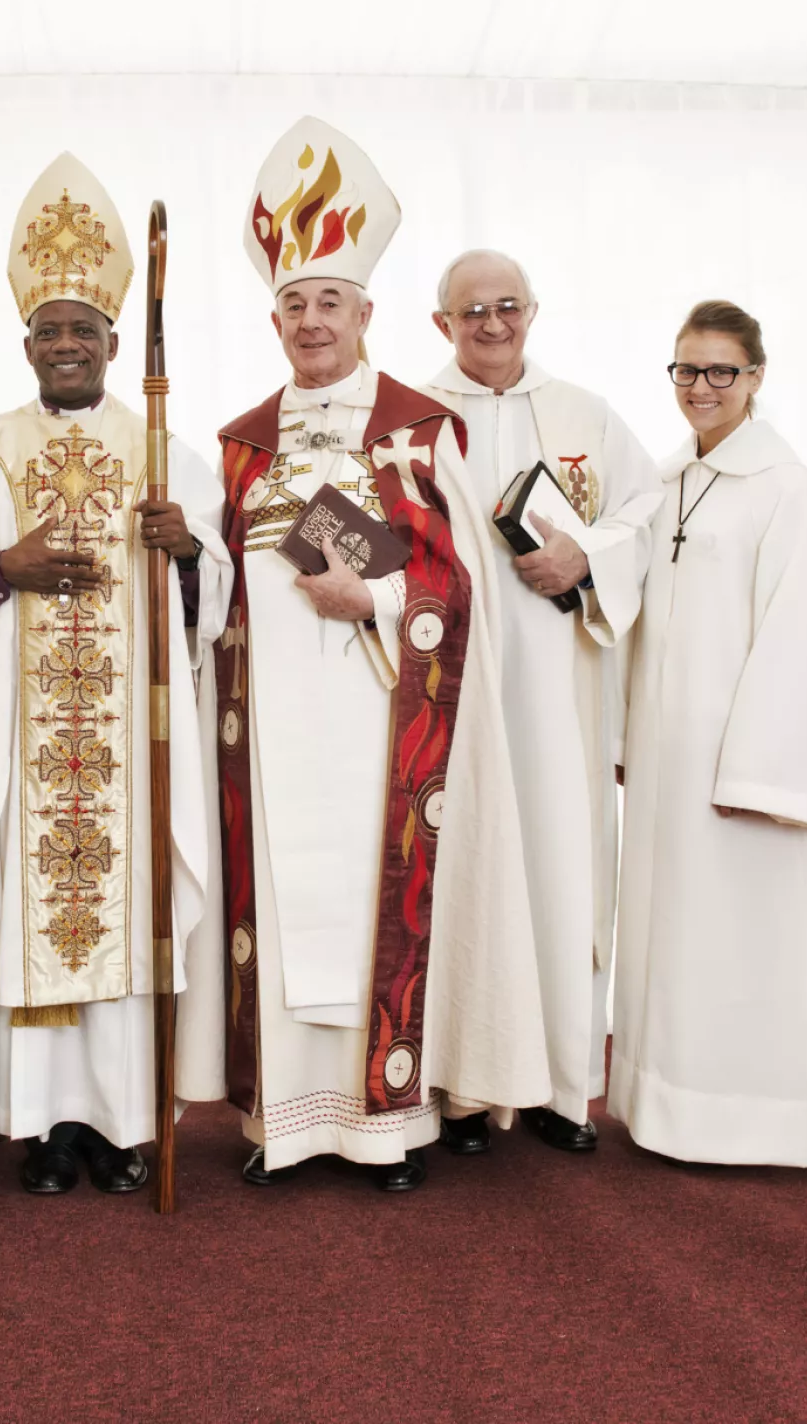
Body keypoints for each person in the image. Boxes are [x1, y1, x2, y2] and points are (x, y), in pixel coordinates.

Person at [214, 116, 548, 1191]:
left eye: (331, 303)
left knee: (374, 898)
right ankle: (286, 1119)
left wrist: (373, 594)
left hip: (378, 722)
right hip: (269, 724)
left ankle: (384, 1125)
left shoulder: (414, 427)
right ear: (274, 321)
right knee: (276, 890)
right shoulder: (240, 442)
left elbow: (458, 585)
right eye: (295, 304)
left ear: (366, 313)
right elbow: (220, 584)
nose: (312, 321)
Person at [0, 152, 230, 1196]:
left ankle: (122, 1124)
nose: (67, 345)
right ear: (24, 344)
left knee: (129, 908)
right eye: (50, 330)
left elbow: (218, 583)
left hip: (128, 747)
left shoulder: (159, 443)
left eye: (85, 330)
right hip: (28, 736)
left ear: (117, 342)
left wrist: (188, 547)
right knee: (41, 905)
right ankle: (45, 1129)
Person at [423, 250, 660, 1155]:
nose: (492, 324)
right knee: (461, 876)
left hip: (558, 690)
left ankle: (563, 1087)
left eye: (507, 306)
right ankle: (462, 1089)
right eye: (471, 310)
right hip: (449, 691)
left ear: (534, 310)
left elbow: (644, 507)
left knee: (561, 867)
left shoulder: (583, 414)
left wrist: (587, 555)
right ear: (441, 324)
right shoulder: (411, 417)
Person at [608, 301, 807, 1166]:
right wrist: (628, 737)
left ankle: (743, 1122)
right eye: (687, 371)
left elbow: (798, 632)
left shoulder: (785, 487)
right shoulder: (666, 481)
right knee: (670, 932)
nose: (701, 389)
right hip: (669, 755)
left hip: (739, 762)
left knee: (737, 939)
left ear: (756, 378)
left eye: (721, 372)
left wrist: (761, 773)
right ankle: (660, 1107)